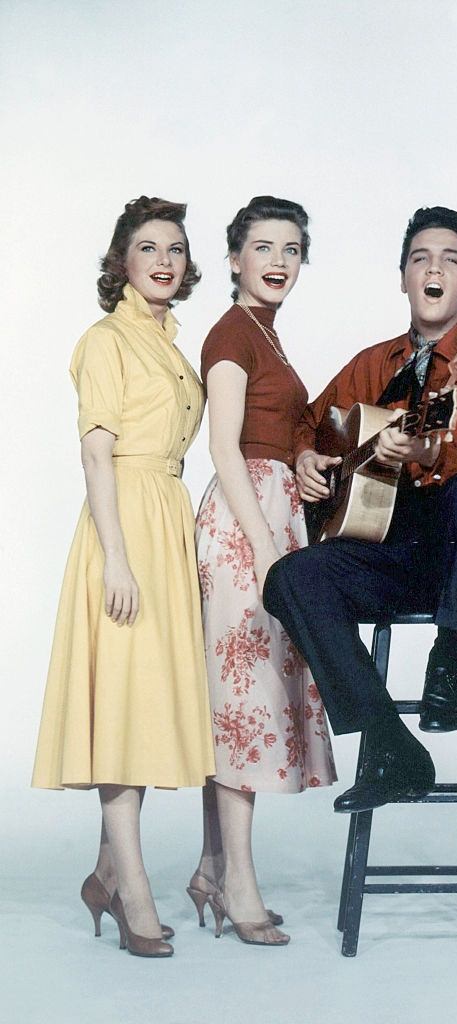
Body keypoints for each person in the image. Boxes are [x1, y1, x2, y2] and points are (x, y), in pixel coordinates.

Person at [263, 206, 457, 813]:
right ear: (404, 277)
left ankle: (448, 656)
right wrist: (305, 455)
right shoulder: (373, 364)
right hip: (394, 550)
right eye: (420, 259)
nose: (433, 269)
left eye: (450, 261)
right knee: (290, 579)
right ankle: (390, 744)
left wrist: (433, 453)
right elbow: (310, 419)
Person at [32, 197, 214, 958]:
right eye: (148, 248)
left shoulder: (171, 343)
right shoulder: (106, 340)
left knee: (144, 705)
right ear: (122, 263)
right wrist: (115, 555)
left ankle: (106, 872)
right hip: (125, 526)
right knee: (121, 708)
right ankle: (133, 891)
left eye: (174, 247)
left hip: (165, 516)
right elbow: (96, 453)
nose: (164, 259)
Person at [187, 197, 336, 946]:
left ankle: (214, 868)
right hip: (245, 529)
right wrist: (266, 549)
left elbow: (281, 437)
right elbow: (222, 448)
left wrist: (304, 462)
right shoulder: (229, 335)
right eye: (263, 247)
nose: (279, 261)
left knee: (242, 702)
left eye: (292, 249)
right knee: (239, 710)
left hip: (271, 516)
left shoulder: (265, 336)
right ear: (235, 259)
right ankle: (239, 884)